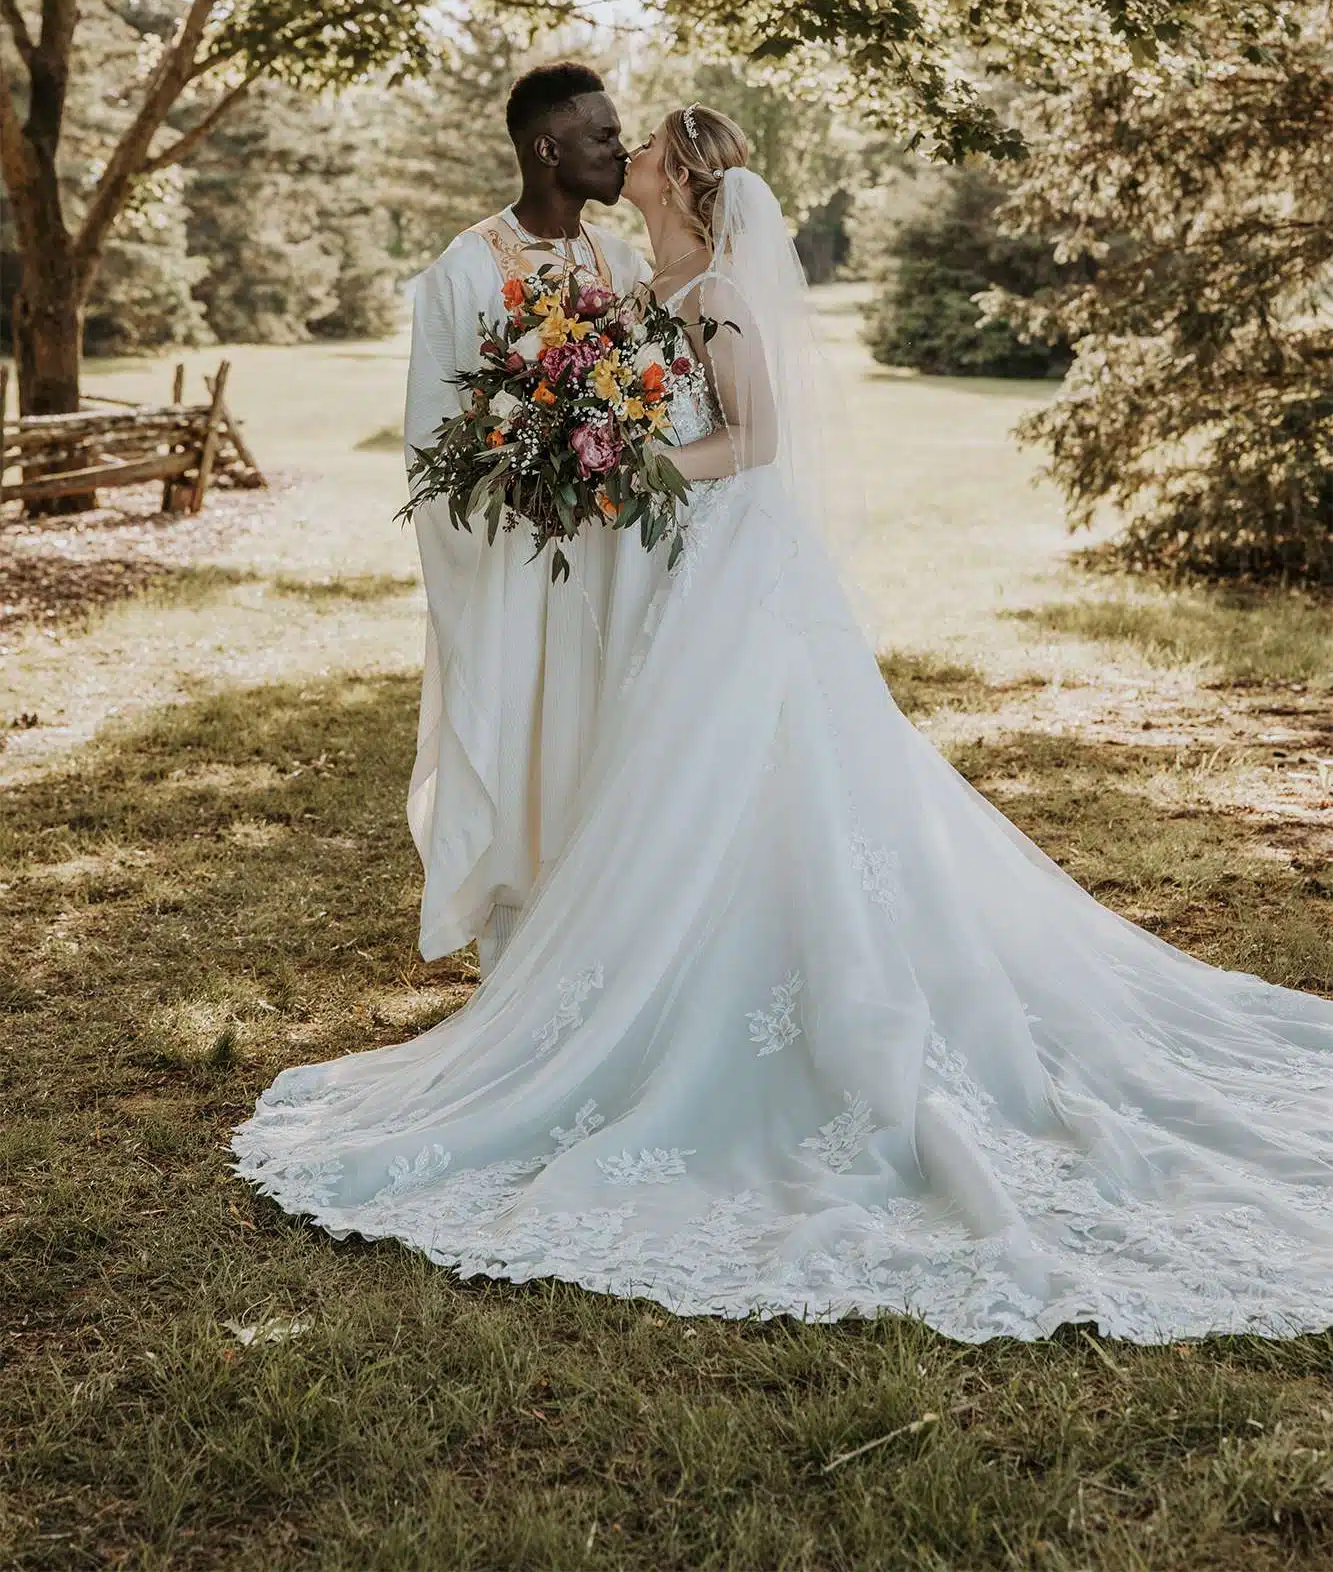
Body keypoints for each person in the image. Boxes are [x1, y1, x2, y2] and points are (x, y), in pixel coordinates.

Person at [233, 105, 1333, 1345]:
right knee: (684, 777)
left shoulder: (711, 291)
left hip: (724, 567)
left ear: (681, 176)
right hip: (665, 571)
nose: (628, 151)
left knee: (749, 767)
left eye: (643, 142)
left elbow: (756, 438)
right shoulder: (634, 278)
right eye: (617, 137)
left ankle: (776, 1003)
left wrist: (632, 469)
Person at [400, 61, 661, 978]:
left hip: (612, 556)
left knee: (601, 733)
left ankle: (605, 939)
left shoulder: (622, 263)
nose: (619, 150)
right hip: (516, 559)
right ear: (547, 148)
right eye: (601, 135)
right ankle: (520, 959)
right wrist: (523, 480)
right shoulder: (465, 268)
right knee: (520, 730)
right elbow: (432, 441)